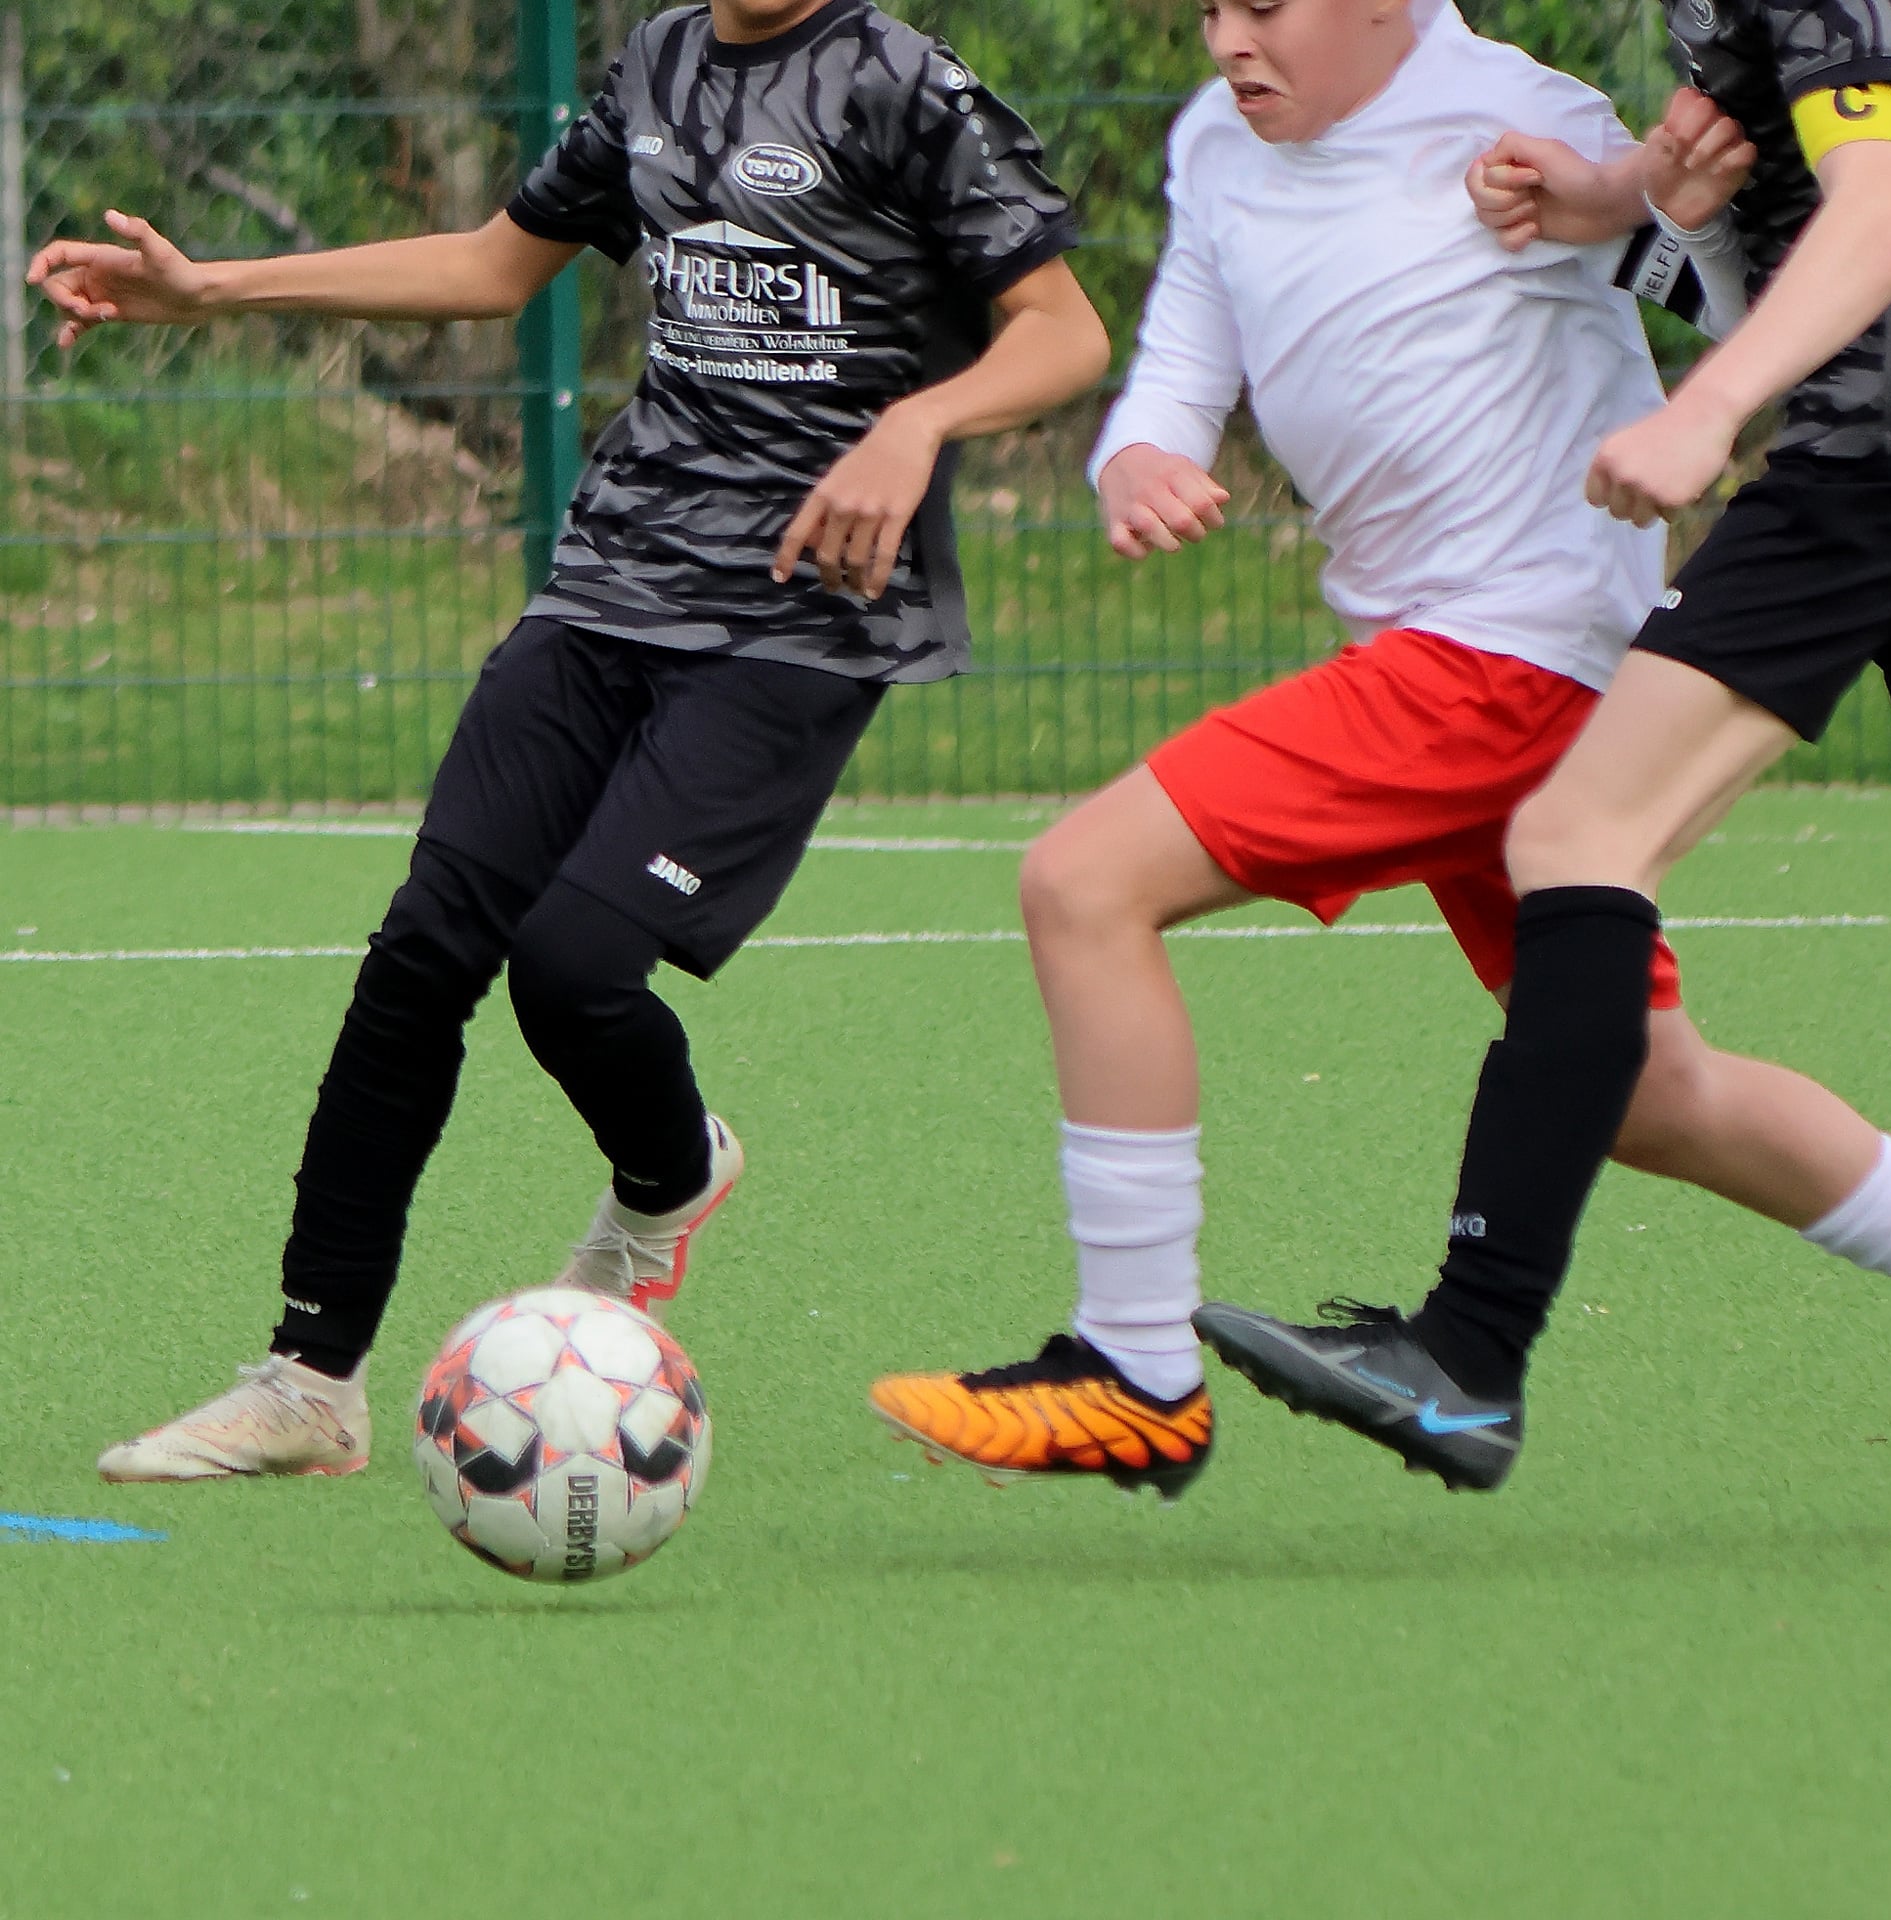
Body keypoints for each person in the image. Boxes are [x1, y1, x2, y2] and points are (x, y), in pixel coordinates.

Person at [31, 0, 1108, 1482]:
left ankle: (668, 1179)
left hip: (797, 620)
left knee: (575, 971)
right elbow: (491, 263)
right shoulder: (659, 63)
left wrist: (917, 427)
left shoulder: (904, 85)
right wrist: (215, 288)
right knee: (421, 955)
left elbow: (1064, 329)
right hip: (612, 583)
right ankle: (308, 1382)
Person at [866, 0, 1891, 1500]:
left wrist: (1657, 244)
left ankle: (1133, 1371)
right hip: (1437, 651)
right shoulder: (1213, 144)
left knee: (1084, 883)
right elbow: (1179, 364)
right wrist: (1138, 452)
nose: (1231, 38)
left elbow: (1781, 280)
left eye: (1266, 5)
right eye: (1210, 9)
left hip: (1511, 656)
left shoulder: (1512, 104)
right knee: (1650, 1093)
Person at [1195, 0, 1891, 1493]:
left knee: (1579, 840)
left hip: (1885, 457)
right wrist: (1624, 209)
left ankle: (1467, 1355)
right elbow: (1786, 243)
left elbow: (1886, 216)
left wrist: (1711, 410)